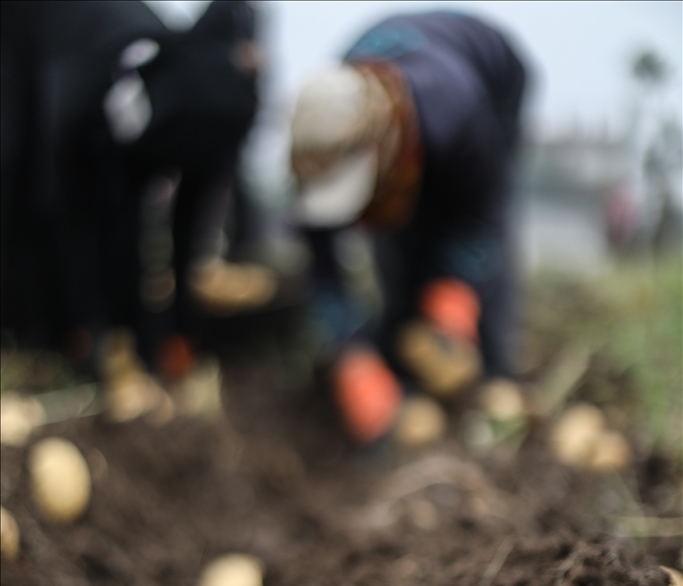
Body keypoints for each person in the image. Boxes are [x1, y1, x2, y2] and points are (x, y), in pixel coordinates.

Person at [1, 0, 275, 382]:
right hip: (23, 32)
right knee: (20, 170)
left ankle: (130, 339)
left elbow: (186, 228)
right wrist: (88, 326)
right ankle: (41, 335)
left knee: (122, 225)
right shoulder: (89, 95)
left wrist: (179, 333)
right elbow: (71, 213)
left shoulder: (210, 109)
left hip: (118, 98)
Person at [290, 10, 527, 443]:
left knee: (449, 239)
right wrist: (349, 355)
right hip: (410, 112)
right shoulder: (318, 147)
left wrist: (455, 289)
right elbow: (321, 264)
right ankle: (400, 367)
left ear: (387, 151)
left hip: (494, 79)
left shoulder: (456, 113)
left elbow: (481, 211)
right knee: (396, 242)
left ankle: (493, 369)